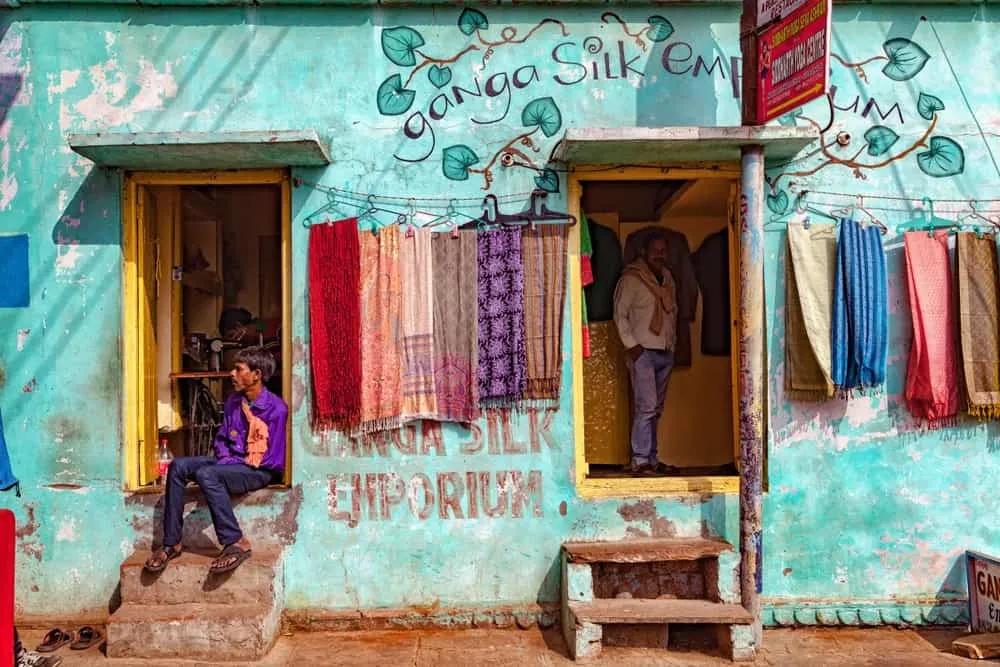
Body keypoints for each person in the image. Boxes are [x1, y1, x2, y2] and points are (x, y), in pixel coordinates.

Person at [144, 347, 288, 575]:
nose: (232, 373)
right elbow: (221, 440)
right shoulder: (233, 402)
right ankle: (172, 542)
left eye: (239, 369)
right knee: (178, 466)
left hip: (258, 469)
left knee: (207, 474)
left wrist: (229, 465)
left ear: (256, 374)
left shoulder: (276, 409)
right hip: (230, 463)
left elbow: (271, 459)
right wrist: (226, 461)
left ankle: (235, 541)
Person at [613, 233, 679, 476]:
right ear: (644, 252)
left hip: (664, 351)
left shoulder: (667, 278)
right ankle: (640, 460)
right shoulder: (631, 279)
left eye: (664, 250)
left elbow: (672, 314)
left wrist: (672, 346)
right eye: (655, 249)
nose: (660, 255)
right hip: (642, 352)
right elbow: (619, 314)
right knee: (646, 407)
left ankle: (652, 458)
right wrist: (633, 347)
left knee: (656, 409)